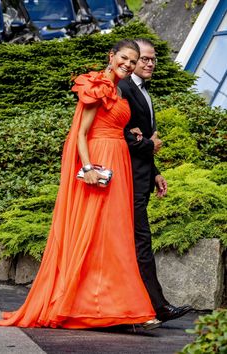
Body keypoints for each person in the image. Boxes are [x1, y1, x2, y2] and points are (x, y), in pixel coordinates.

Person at [0, 39, 160, 330]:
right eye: (125, 58)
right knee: (97, 235)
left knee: (114, 236)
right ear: (112, 56)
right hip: (100, 162)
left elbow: (112, 124)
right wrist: (87, 168)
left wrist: (131, 131)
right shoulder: (96, 85)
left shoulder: (119, 90)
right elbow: (82, 133)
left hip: (119, 162)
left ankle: (118, 307)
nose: (129, 64)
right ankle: (101, 307)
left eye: (133, 61)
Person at [118, 38, 192, 323]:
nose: (149, 63)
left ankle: (142, 307)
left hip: (142, 177)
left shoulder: (142, 90)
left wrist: (156, 171)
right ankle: (155, 306)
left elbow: (142, 137)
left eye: (153, 59)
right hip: (127, 179)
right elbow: (120, 135)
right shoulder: (123, 88)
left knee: (137, 242)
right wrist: (150, 146)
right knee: (140, 242)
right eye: (144, 59)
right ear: (132, 59)